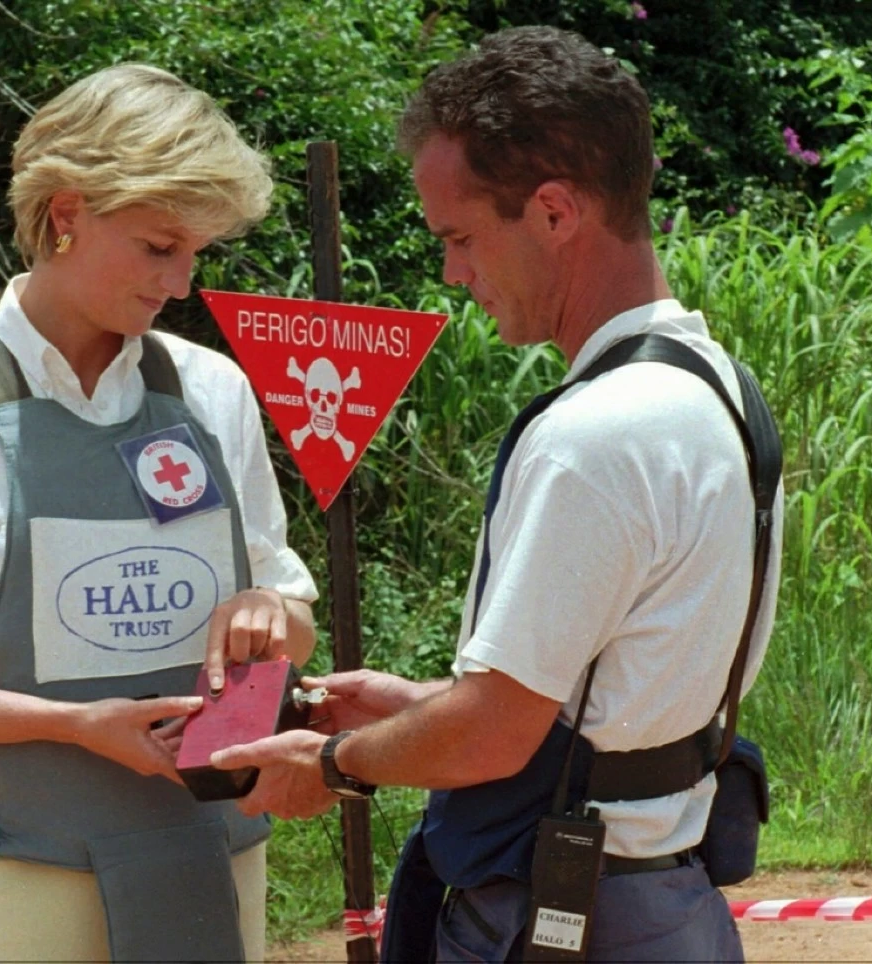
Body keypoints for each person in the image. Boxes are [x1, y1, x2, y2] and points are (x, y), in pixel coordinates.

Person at [211, 26, 783, 962]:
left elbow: (490, 738)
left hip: (566, 921)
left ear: (555, 211)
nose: (451, 272)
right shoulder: (716, 388)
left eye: (461, 237)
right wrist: (411, 707)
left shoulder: (593, 435)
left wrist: (330, 762)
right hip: (666, 899)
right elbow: (612, 702)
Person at [0, 63, 317, 963]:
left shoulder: (213, 392)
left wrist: (275, 616)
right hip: (27, 861)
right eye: (160, 247)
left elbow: (290, 613)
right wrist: (73, 725)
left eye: (197, 252)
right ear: (67, 213)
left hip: (213, 849)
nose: (183, 283)